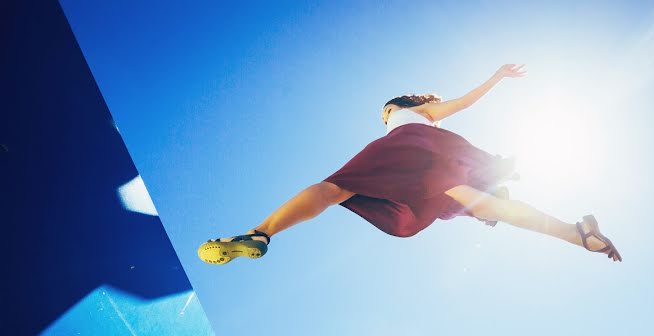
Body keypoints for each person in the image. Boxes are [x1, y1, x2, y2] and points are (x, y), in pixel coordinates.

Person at [198, 64, 622, 265]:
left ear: (401, 105)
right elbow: (462, 105)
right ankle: (575, 234)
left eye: (386, 111)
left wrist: (495, 77)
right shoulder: (417, 119)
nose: (383, 116)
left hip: (410, 150)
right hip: (429, 169)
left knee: (333, 188)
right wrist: (496, 78)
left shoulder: (411, 117)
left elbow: (460, 101)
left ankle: (261, 233)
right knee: (484, 205)